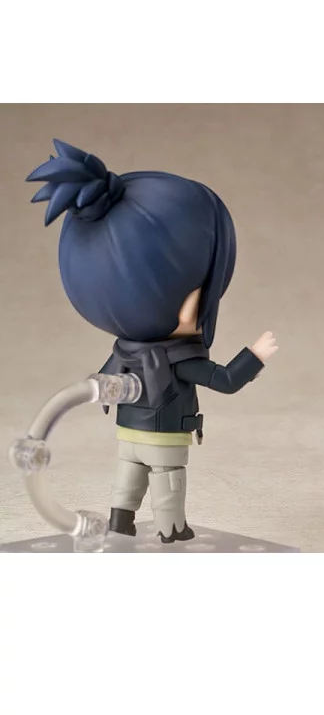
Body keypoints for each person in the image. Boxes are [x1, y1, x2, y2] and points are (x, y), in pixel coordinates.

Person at [27, 139, 278, 542]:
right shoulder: (181, 359)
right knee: (168, 484)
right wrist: (255, 355)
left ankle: (119, 522)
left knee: (126, 480)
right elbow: (226, 380)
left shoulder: (121, 355)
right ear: (194, 296)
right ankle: (171, 531)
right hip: (165, 440)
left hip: (128, 434)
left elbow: (100, 384)